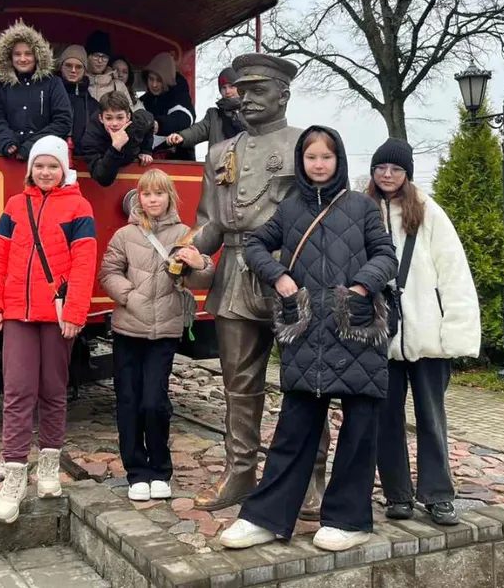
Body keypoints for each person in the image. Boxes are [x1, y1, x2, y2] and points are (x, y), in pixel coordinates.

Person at [219, 125, 397, 552]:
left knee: (359, 431)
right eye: (311, 157)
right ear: (301, 160)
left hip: (355, 330)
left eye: (326, 157)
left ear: (339, 160)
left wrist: (361, 287)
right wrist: (279, 276)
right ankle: (265, 517)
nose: (319, 164)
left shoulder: (362, 206)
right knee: (294, 430)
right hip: (306, 333)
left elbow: (386, 255)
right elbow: (255, 245)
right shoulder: (290, 208)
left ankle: (349, 520)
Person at [190, 54, 325, 513]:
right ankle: (240, 471)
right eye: (241, 90)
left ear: (283, 95)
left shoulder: (306, 146)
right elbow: (208, 222)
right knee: (238, 384)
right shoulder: (219, 153)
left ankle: (311, 475)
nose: (245, 98)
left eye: (257, 91)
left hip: (290, 275)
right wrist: (188, 250)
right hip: (233, 274)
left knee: (306, 381)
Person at [0, 136, 97, 524]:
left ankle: (48, 465)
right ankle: (14, 475)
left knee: (53, 390)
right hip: (18, 311)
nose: (45, 172)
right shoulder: (15, 206)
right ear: (31, 169)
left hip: (58, 312)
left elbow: (84, 263)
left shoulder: (79, 207)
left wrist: (76, 311)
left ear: (64, 169)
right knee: (17, 392)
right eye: (40, 165)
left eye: (52, 165)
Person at [367, 138, 480, 527]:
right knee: (386, 419)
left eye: (395, 169)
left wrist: (456, 331)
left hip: (427, 335)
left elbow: (453, 273)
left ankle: (438, 495)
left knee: (431, 419)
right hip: (381, 336)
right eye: (381, 167)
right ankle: (397, 493)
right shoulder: (362, 211)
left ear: (407, 174)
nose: (387, 175)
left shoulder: (429, 213)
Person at [99, 170, 214, 502]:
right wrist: (132, 298)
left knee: (155, 402)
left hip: (164, 330)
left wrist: (199, 263)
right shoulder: (125, 235)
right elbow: (108, 272)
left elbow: (201, 279)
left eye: (159, 194)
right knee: (128, 401)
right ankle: (136, 472)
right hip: (128, 328)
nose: (152, 200)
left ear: (170, 198)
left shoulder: (184, 235)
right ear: (139, 198)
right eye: (147, 194)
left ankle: (160, 470)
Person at [0, 21, 73, 160]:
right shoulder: (1, 86)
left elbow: (63, 121)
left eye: (28, 53)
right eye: (17, 54)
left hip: (46, 156)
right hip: (8, 158)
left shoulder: (53, 83)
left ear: (37, 55)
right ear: (10, 57)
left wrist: (32, 146)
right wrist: (7, 142)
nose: (22, 59)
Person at [78, 91, 154, 186]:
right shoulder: (91, 139)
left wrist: (146, 150)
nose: (114, 124)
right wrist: (115, 148)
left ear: (128, 117)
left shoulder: (138, 124)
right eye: (109, 118)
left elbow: (150, 119)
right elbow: (102, 179)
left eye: (120, 118)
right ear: (101, 118)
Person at [167, 67, 246, 152]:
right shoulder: (214, 115)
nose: (227, 91)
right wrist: (182, 136)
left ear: (240, 87)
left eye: (231, 86)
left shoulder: (250, 111)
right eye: (224, 87)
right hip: (220, 159)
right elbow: (199, 130)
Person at [140, 53, 195, 161]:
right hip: (147, 159)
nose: (154, 85)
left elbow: (184, 118)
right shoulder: (143, 101)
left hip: (178, 160)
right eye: (151, 79)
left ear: (167, 80)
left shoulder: (179, 96)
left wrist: (159, 124)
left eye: (159, 80)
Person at [58, 44, 98, 153]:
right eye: (68, 65)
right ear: (61, 67)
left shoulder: (93, 105)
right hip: (51, 158)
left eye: (79, 67)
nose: (73, 70)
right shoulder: (49, 97)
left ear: (85, 70)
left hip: (83, 159)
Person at [85, 30, 139, 108]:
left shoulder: (118, 85)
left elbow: (129, 113)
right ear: (87, 56)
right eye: (96, 55)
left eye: (104, 57)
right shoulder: (79, 83)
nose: (100, 60)